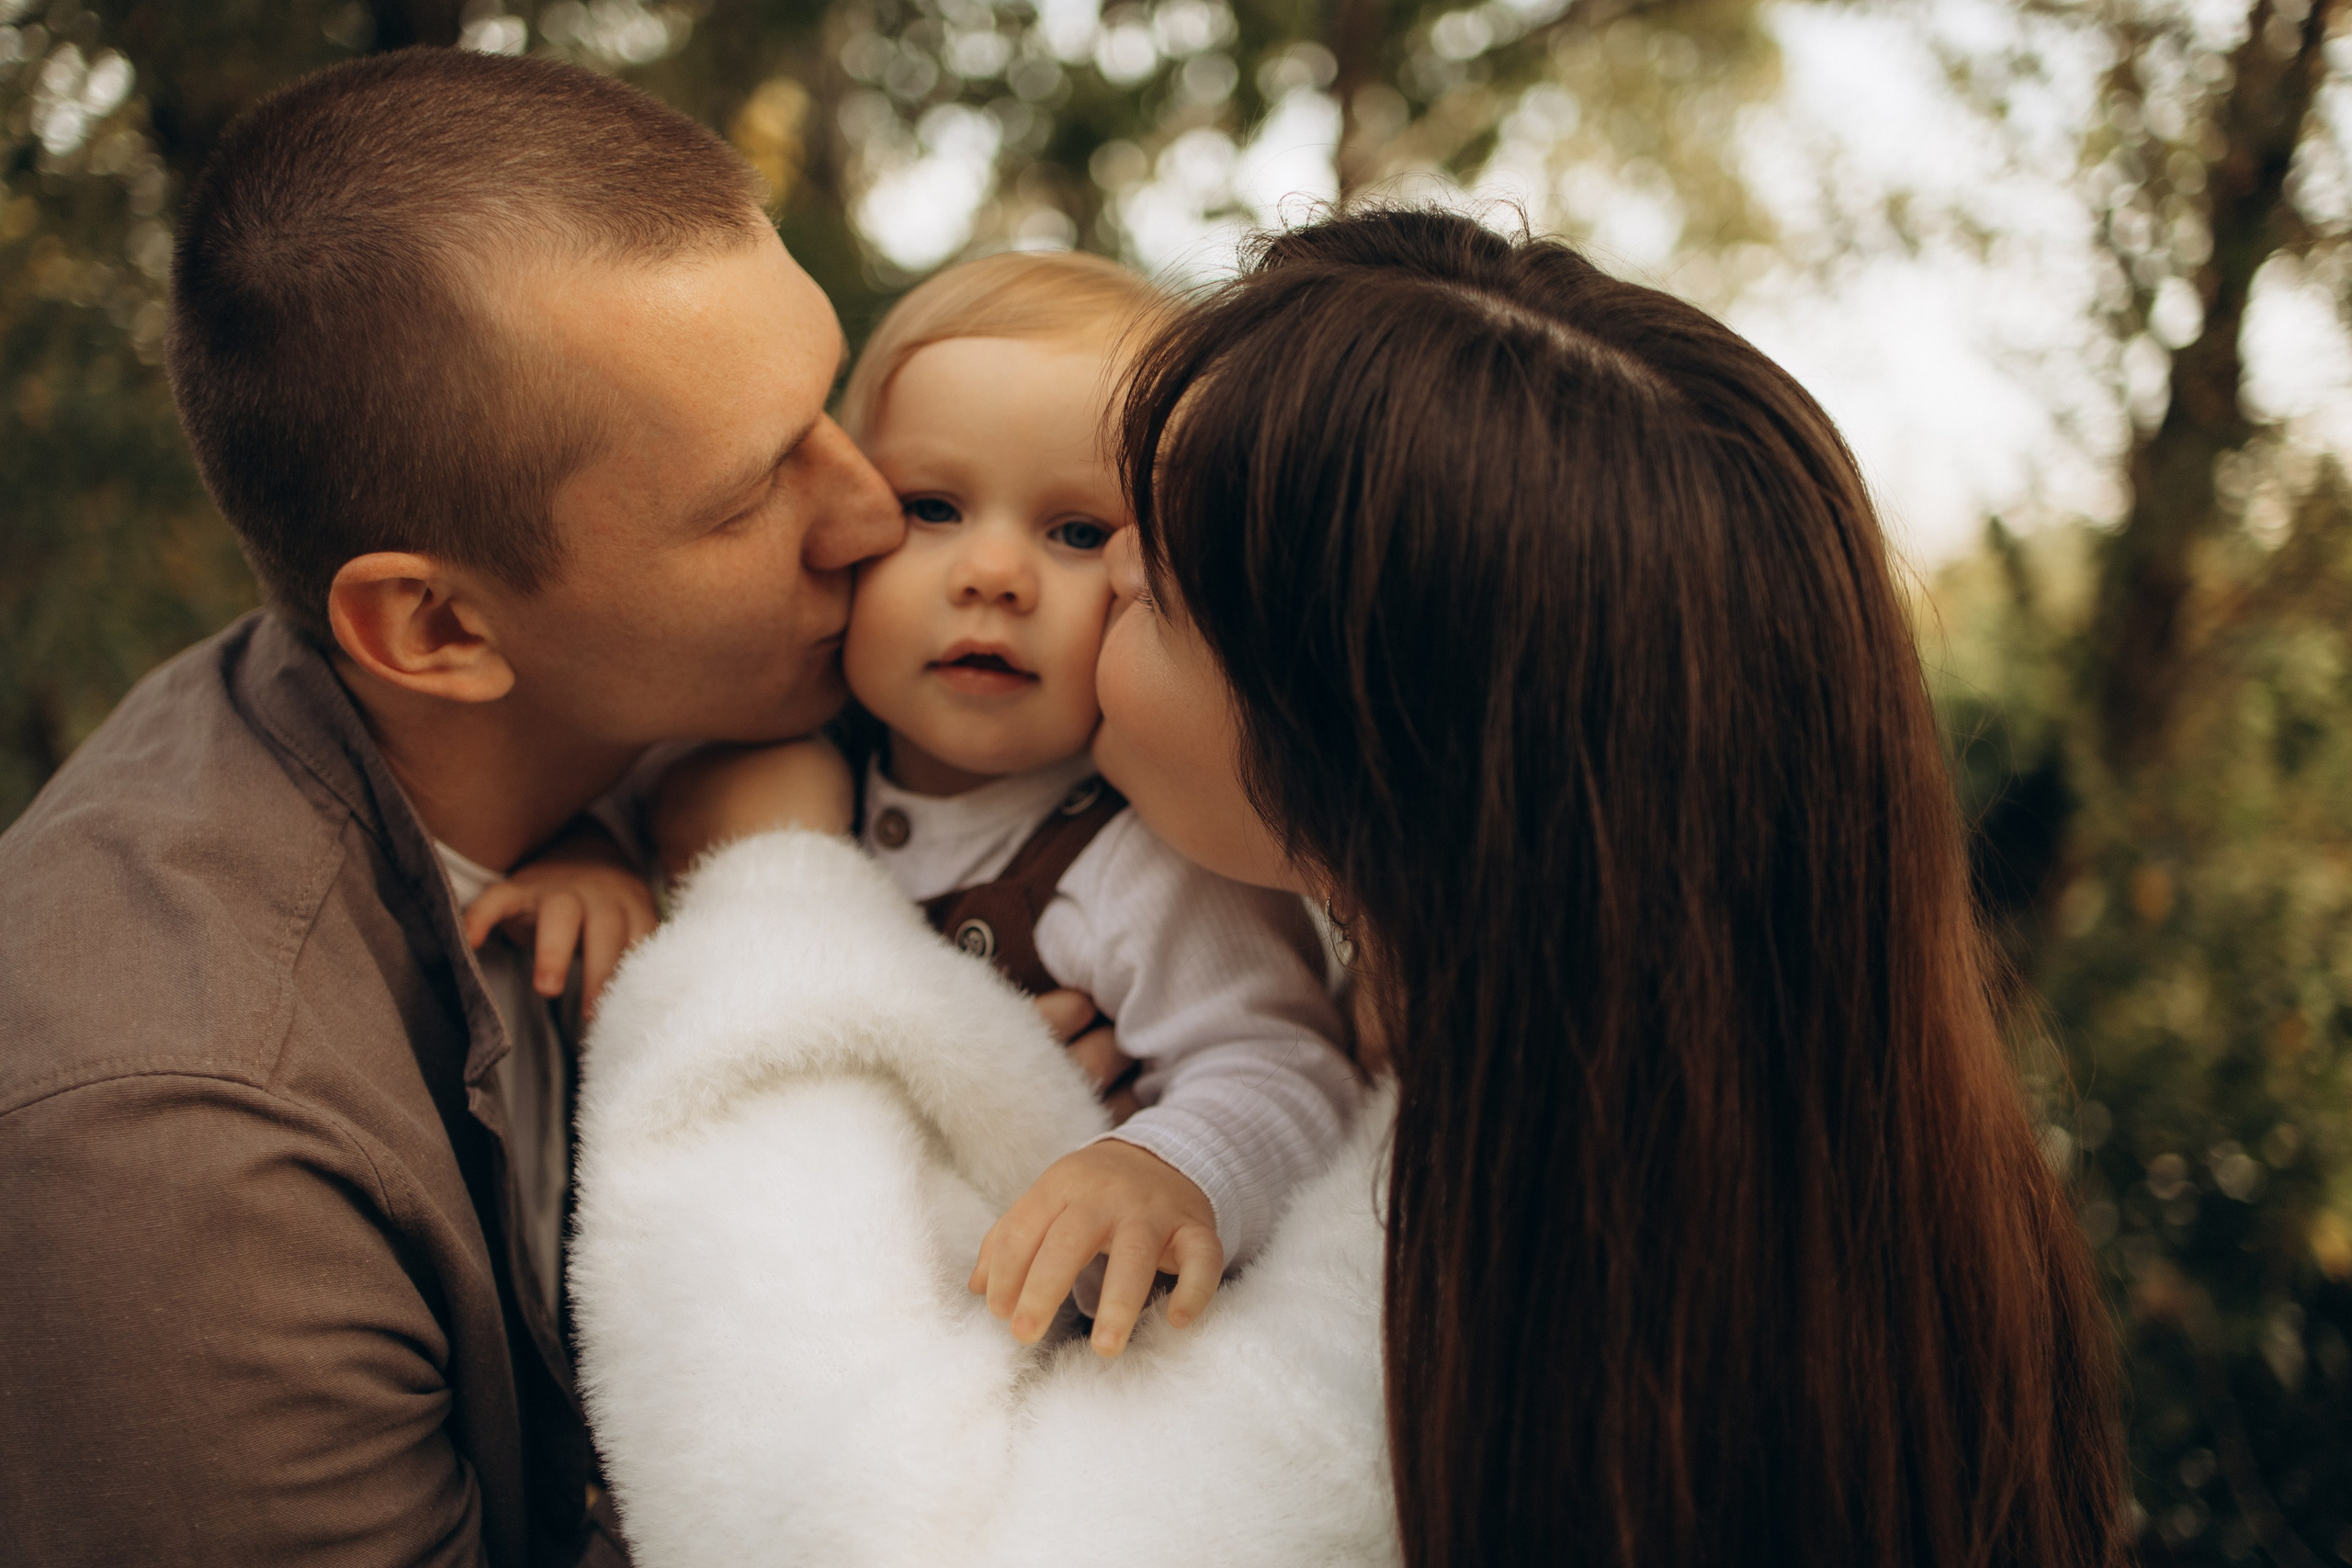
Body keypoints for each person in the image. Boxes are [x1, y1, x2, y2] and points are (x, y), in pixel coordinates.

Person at [568, 208, 2124, 1568]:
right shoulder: (1758, 1153)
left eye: (1143, 567)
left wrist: (761, 884)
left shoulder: (1457, 1302)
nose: (1065, 586)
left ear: (1356, 756)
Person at [0, 48, 1121, 1567]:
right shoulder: (181, 1147)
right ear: (438, 631)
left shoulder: (728, 709)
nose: (869, 514)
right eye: (750, 493)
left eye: (827, 404)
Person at [502, 251, 1359, 1359]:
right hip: (736, 1307)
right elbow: (634, 796)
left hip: (987, 1342)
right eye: (934, 508)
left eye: (1077, 532)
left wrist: (1163, 1167)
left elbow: (1284, 1070)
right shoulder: (773, 737)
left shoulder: (1136, 854)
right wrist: (589, 855)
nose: (993, 573)